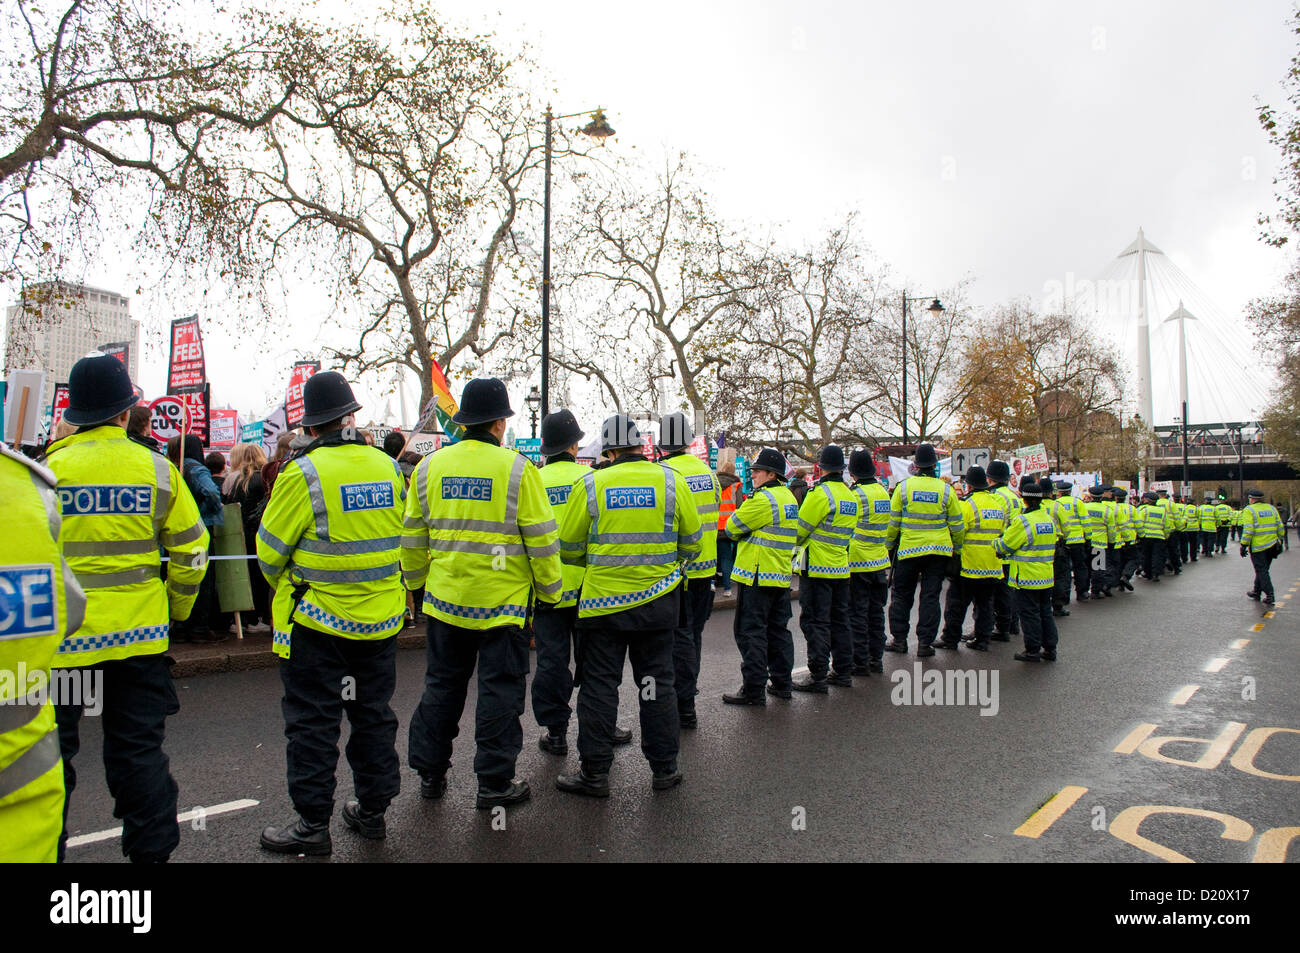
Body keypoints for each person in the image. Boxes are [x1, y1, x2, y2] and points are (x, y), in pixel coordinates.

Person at [44, 354, 209, 863]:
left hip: (66, 649)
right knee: (138, 754)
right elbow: (192, 551)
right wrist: (178, 610)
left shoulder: (47, 473)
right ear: (124, 412)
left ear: (75, 411)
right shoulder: (157, 469)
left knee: (52, 762)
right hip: (138, 644)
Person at [256, 372, 407, 855]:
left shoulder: (303, 473)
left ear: (311, 425)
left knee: (313, 723)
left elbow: (270, 552)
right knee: (372, 717)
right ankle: (373, 812)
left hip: (318, 623)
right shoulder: (386, 467)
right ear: (350, 417)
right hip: (380, 621)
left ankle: (312, 825)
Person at [404, 378, 562, 809]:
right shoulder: (517, 470)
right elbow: (542, 541)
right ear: (498, 424)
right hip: (503, 607)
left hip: (444, 602)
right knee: (499, 692)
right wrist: (550, 592)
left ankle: (430, 775)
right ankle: (493, 784)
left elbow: (413, 537)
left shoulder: (429, 467)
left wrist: (416, 587)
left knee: (442, 687)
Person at [555, 415, 700, 797]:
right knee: (655, 685)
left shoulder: (590, 484)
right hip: (658, 604)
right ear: (640, 445)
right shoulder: (671, 481)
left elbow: (568, 549)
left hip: (603, 608)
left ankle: (595, 774)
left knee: (600, 687)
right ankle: (664, 769)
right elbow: (692, 544)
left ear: (610, 450)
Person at [0, 444, 86, 862]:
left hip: (80, 655)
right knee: (138, 754)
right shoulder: (25, 483)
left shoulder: (54, 467)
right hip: (23, 809)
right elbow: (67, 608)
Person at [533, 410, 633, 754]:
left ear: (545, 447)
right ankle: (604, 725)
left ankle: (557, 732)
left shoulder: (534, 480)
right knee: (598, 665)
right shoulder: (591, 479)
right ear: (575, 445)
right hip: (589, 590)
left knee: (551, 662)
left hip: (547, 589)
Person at [722, 447, 800, 703]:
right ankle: (782, 683)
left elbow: (733, 527)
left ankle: (754, 689)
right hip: (779, 574)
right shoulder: (787, 497)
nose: (752, 474)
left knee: (750, 632)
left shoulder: (763, 499)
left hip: (756, 575)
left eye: (757, 471)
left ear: (770, 474)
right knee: (778, 631)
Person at [658, 412, 720, 728]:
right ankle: (688, 695)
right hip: (705, 568)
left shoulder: (664, 474)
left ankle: (683, 704)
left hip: (677, 571)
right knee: (693, 635)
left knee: (677, 638)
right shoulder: (707, 473)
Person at [884, 443, 965, 657]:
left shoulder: (903, 487)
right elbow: (957, 525)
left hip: (909, 550)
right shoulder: (946, 490)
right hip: (938, 553)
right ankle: (924, 644)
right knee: (930, 597)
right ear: (934, 466)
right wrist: (957, 548)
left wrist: (889, 545)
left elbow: (893, 523)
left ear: (916, 465)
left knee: (901, 596)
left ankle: (899, 640)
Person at [791, 445, 858, 689]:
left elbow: (799, 530)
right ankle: (842, 671)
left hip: (818, 567)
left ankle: (817, 674)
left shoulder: (820, 494)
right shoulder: (850, 496)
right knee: (840, 620)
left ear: (821, 467)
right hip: (841, 566)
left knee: (816, 621)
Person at [942, 465, 1007, 651]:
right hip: (992, 564)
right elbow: (1002, 531)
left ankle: (950, 639)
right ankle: (983, 640)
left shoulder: (967, 505)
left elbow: (959, 532)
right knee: (985, 605)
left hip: (969, 564)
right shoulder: (997, 505)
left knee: (956, 604)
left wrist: (955, 552)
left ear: (968, 485)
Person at [169, 433, 225, 644]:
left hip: (178, 530)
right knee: (203, 577)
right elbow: (211, 491)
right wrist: (212, 509)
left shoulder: (176, 468)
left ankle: (181, 624)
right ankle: (199, 627)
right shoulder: (197, 468)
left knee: (183, 577)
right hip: (200, 529)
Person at [996, 476, 1059, 662]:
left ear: (1023, 499)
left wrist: (994, 542)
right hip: (1046, 575)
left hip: (1026, 577)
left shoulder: (1022, 521)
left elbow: (1005, 546)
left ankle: (1032, 649)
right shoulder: (1048, 520)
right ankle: (1050, 649)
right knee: (1045, 612)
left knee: (1029, 614)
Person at [846, 451, 891, 673]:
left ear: (852, 472)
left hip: (858, 561)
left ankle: (859, 660)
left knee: (857, 613)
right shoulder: (883, 492)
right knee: (876, 613)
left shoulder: (855, 495)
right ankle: (876, 658)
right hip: (879, 560)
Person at [224, 443, 271, 631]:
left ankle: (246, 618)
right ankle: (256, 619)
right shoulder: (261, 479)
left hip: (242, 533)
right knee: (259, 578)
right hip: (257, 533)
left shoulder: (239, 479)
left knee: (247, 576)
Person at [987, 460, 1023, 638]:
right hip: (1013, 549)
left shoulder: (996, 497)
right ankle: (1012, 624)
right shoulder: (1014, 496)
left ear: (990, 478)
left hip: (999, 549)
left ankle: (1002, 627)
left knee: (999, 593)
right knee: (1009, 590)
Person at [1241, 489, 1283, 604]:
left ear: (1252, 499)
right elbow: (1280, 526)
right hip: (1272, 545)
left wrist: (1243, 545)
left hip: (1258, 546)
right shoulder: (1271, 508)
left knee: (1262, 570)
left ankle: (1270, 594)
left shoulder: (1249, 510)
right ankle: (1256, 591)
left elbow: (1248, 530)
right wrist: (1280, 538)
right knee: (1263, 570)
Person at [714, 448, 743, 595]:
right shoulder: (736, 486)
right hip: (728, 527)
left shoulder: (714, 482)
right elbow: (739, 507)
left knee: (713, 556)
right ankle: (727, 588)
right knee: (726, 558)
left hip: (713, 525)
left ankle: (712, 583)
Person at [1137, 490, 1172, 582]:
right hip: (1159, 537)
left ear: (1147, 500)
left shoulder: (1144, 510)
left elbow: (1139, 524)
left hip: (1147, 537)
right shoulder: (1162, 511)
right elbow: (1167, 526)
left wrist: (1141, 535)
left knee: (1146, 555)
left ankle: (1147, 573)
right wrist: (1166, 535)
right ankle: (1156, 573)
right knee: (1158, 556)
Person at [1198, 492, 1218, 558]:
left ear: (1206, 501)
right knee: (1211, 540)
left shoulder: (1201, 508)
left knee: (1204, 539)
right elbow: (1217, 518)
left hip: (1203, 527)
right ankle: (1209, 551)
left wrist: (1199, 525)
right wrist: (1218, 525)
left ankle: (1205, 550)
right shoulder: (1214, 508)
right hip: (1212, 528)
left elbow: (1199, 517)